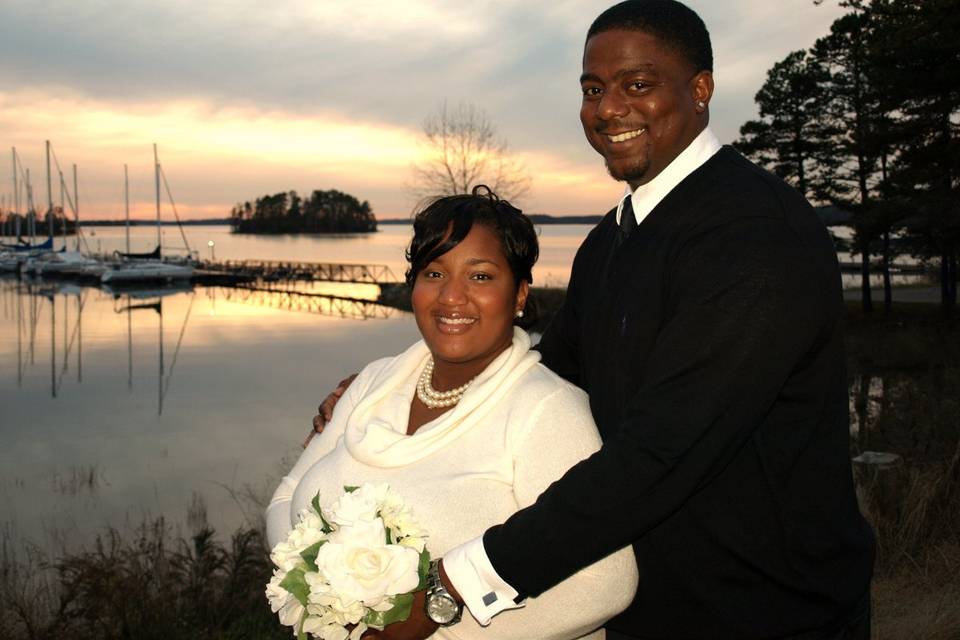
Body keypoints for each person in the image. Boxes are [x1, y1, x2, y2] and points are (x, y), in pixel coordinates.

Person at [311, 2, 876, 639]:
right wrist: (385, 396)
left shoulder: (754, 236)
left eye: (638, 85)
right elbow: (541, 380)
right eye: (592, 89)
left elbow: (662, 453)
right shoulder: (611, 241)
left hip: (771, 611)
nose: (608, 109)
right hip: (647, 609)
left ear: (700, 90)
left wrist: (452, 586)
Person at [270, 187, 638, 640]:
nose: (451, 297)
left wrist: (430, 623)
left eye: (480, 277)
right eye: (434, 272)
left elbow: (607, 583)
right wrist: (314, 594)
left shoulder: (547, 411)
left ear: (520, 293)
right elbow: (286, 499)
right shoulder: (372, 384)